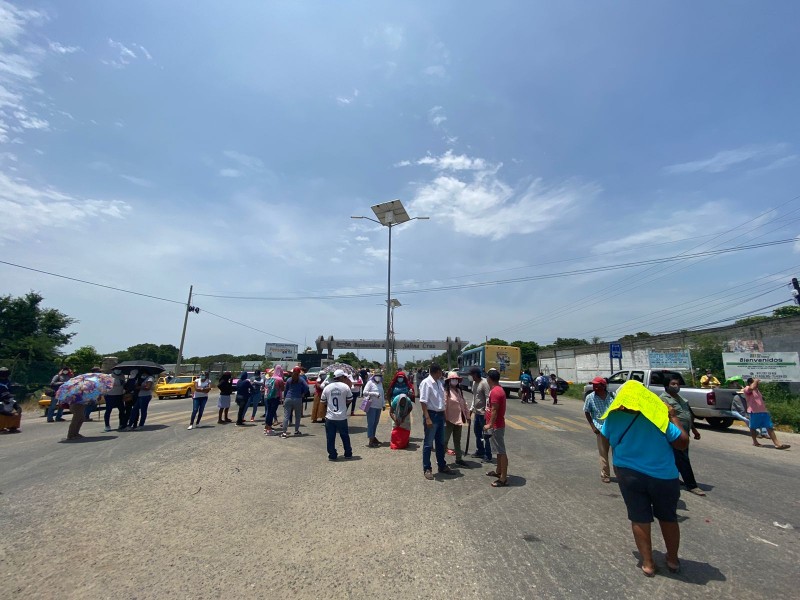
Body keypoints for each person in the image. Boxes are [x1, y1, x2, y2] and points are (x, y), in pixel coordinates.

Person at [600, 380, 690, 577]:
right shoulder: (657, 414)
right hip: (663, 476)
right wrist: (673, 417)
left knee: (639, 518)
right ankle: (673, 561)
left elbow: (607, 439)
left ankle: (648, 563)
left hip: (628, 475)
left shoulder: (613, 417)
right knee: (668, 517)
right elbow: (682, 443)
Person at [660, 377, 706, 496]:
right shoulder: (663, 399)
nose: (676, 386)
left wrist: (694, 430)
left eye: (678, 384)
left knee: (677, 457)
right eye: (673, 383)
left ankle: (673, 478)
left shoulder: (681, 399)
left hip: (685, 431)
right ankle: (691, 485)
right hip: (675, 433)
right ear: (667, 386)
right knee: (683, 458)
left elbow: (688, 415)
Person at [419, 363, 454, 480]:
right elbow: (423, 402)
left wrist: (444, 415)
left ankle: (442, 465)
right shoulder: (426, 383)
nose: (441, 374)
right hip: (431, 415)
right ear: (437, 371)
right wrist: (427, 418)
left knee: (440, 443)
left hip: (440, 415)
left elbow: (440, 401)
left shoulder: (439, 383)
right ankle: (427, 468)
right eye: (440, 372)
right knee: (429, 444)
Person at [583, 376, 616, 483]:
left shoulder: (612, 395)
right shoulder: (590, 397)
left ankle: (619, 473)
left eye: (596, 385)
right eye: (593, 384)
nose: (594, 387)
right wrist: (593, 427)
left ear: (603, 385)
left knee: (617, 453)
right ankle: (605, 474)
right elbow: (587, 412)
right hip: (601, 430)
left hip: (614, 429)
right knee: (603, 454)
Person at [743, 378, 790, 450]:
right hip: (754, 412)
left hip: (763, 411)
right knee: (753, 427)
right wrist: (755, 380)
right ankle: (755, 441)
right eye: (755, 382)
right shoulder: (747, 389)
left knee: (769, 427)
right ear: (750, 383)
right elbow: (751, 387)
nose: (757, 384)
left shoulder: (758, 391)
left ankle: (777, 444)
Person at [321, 369, 353, 460]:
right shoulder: (345, 387)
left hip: (330, 416)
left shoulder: (327, 387)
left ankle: (332, 455)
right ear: (341, 377)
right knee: (345, 435)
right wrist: (344, 403)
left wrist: (329, 404)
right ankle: (348, 453)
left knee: (330, 437)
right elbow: (350, 399)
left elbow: (323, 401)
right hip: (342, 416)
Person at [484, 369, 509, 487]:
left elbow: (494, 410)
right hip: (496, 425)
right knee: (498, 451)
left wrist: (489, 424)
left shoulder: (495, 391)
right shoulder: (497, 389)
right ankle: (499, 471)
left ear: (490, 378)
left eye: (487, 377)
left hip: (496, 426)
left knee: (501, 451)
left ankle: (503, 478)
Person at [443, 371, 469, 467]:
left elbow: (464, 404)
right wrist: (444, 417)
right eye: (453, 379)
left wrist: (468, 416)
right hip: (448, 419)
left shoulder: (459, 391)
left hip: (459, 419)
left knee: (457, 440)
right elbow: (444, 404)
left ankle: (459, 458)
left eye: (456, 379)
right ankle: (441, 459)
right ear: (449, 381)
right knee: (445, 440)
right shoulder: (446, 391)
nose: (455, 381)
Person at [469, 367, 492, 463]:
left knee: (485, 435)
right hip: (477, 413)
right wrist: (470, 410)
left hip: (483, 414)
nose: (471, 377)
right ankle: (480, 451)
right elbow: (474, 398)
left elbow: (488, 398)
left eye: (472, 375)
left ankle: (488, 454)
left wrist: (487, 412)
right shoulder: (474, 383)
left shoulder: (484, 383)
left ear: (476, 374)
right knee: (477, 433)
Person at [281, 366, 309, 438]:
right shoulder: (301, 380)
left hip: (288, 398)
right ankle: (296, 430)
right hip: (298, 398)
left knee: (286, 416)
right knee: (297, 416)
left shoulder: (289, 380)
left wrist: (284, 398)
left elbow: (286, 390)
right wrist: (302, 393)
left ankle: (284, 432)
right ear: (299, 372)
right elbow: (307, 387)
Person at [362, 371, 385, 447]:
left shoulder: (380, 383)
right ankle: (370, 440)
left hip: (378, 406)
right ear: (374, 376)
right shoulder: (370, 383)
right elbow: (364, 392)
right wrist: (374, 394)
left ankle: (373, 437)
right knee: (371, 423)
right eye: (376, 375)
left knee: (375, 423)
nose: (378, 377)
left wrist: (383, 404)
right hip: (371, 406)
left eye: (379, 375)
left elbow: (382, 394)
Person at [103, 367, 127, 432]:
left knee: (122, 410)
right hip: (110, 396)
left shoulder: (122, 376)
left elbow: (123, 384)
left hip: (119, 395)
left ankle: (121, 424)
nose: (118, 371)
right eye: (116, 369)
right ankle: (107, 425)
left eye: (119, 369)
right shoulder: (109, 376)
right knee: (108, 411)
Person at [264, 366, 286, 433]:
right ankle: (269, 428)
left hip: (268, 397)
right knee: (272, 412)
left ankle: (266, 426)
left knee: (268, 411)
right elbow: (282, 389)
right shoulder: (280, 379)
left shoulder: (270, 378)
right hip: (275, 397)